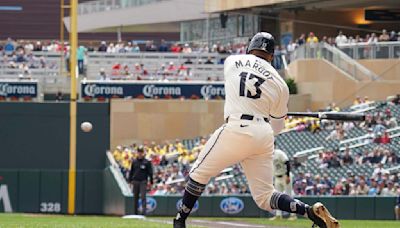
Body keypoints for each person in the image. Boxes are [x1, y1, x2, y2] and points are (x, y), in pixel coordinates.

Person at [173, 32, 339, 228]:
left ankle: (180, 220)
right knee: (265, 196)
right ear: (271, 55)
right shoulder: (281, 84)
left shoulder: (232, 61)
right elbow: (277, 128)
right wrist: (274, 114)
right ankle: (309, 211)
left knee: (198, 174)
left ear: (250, 48)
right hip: (262, 134)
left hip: (236, 127)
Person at [270, 149, 297, 220]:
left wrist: (287, 175)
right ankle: (278, 215)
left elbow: (287, 162)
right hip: (277, 177)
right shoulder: (268, 155)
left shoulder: (279, 153)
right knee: (277, 196)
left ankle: (293, 215)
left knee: (289, 196)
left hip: (285, 176)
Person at [128, 146, 153, 215]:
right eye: (139, 152)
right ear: (137, 153)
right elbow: (131, 171)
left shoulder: (147, 162)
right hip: (135, 181)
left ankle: (143, 213)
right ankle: (135, 213)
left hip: (143, 181)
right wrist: (129, 181)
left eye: (141, 152)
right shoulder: (134, 161)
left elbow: (150, 172)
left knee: (143, 197)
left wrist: (151, 182)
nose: (140, 154)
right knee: (135, 197)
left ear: (143, 153)